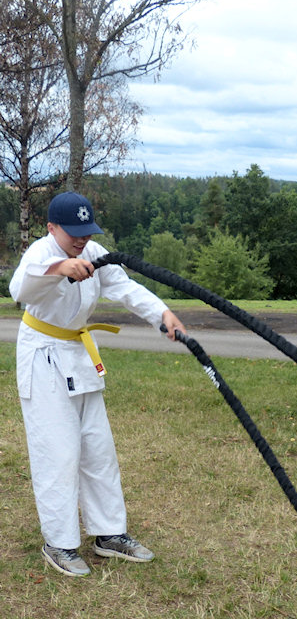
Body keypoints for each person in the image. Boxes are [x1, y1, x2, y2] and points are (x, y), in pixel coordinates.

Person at [9, 191, 187, 577]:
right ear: (51, 227)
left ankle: (109, 534)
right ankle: (59, 542)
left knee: (98, 448)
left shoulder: (94, 252)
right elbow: (19, 288)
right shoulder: (40, 253)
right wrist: (60, 268)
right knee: (57, 452)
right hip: (43, 356)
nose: (82, 239)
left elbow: (125, 288)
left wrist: (162, 314)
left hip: (78, 354)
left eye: (86, 231)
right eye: (73, 233)